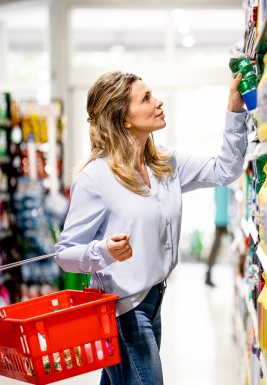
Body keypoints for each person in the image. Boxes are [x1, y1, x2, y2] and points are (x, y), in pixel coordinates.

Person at [55, 70, 247, 385]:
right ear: (124, 118)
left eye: (152, 94)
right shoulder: (95, 178)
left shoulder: (166, 165)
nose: (157, 102)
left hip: (154, 299)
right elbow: (65, 254)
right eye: (146, 98)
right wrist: (104, 250)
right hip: (122, 310)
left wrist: (234, 107)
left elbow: (225, 169)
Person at [205, 185, 231, 287]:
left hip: (221, 219)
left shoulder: (219, 184)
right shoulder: (223, 184)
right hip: (223, 220)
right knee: (216, 247)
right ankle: (208, 273)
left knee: (216, 247)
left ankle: (208, 273)